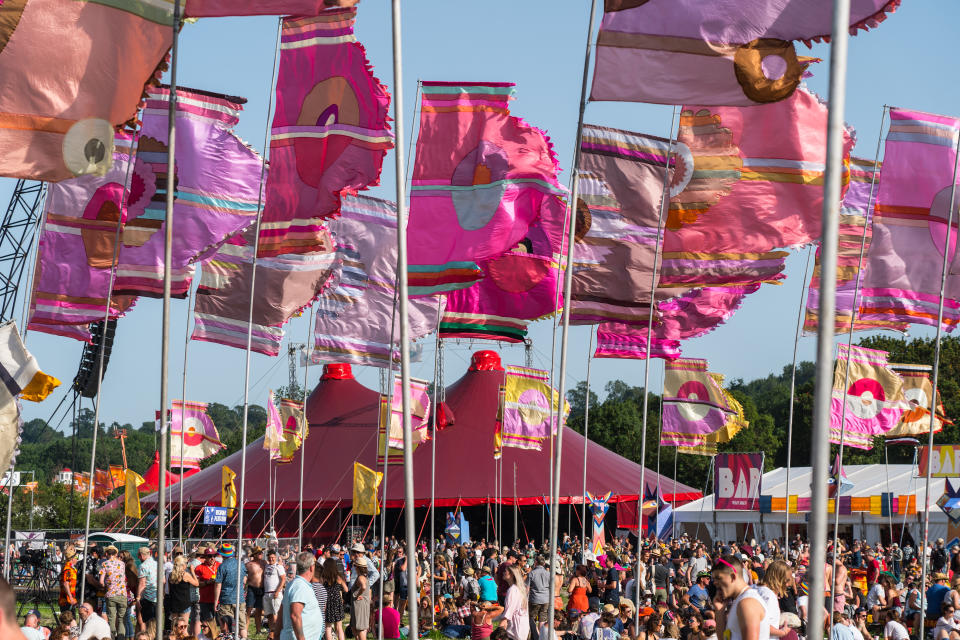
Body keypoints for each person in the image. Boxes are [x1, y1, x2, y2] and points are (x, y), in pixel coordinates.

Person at [711, 555, 768, 640]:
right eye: (714, 579)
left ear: (733, 577)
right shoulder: (740, 601)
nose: (715, 583)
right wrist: (719, 611)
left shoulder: (747, 603)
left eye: (718, 578)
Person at [280, 552, 324, 640]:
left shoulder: (299, 584)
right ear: (312, 567)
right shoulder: (299, 586)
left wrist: (276, 633)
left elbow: (281, 611)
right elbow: (295, 615)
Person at [214, 543, 248, 639]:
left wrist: (216, 601)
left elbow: (218, 584)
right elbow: (245, 580)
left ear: (222, 555)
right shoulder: (241, 564)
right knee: (242, 625)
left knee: (226, 626)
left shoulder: (222, 566)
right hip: (240, 598)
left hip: (226, 599)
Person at [498, 564, 529, 640]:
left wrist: (499, 631)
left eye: (505, 571)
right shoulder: (520, 588)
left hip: (515, 630)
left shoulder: (512, 590)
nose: (503, 573)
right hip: (523, 628)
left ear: (512, 574)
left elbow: (508, 613)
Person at [195, 547, 220, 637]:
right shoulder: (199, 568)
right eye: (210, 556)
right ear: (205, 557)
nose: (212, 558)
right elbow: (196, 583)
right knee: (207, 623)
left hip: (218, 600)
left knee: (219, 623)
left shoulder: (220, 565)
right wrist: (207, 582)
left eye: (214, 556)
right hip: (205, 599)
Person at [321, 553, 347, 640]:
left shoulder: (323, 578)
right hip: (337, 601)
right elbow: (346, 589)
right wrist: (340, 588)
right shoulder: (338, 577)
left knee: (328, 627)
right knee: (339, 627)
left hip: (327, 602)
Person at [170, 555, 200, 626]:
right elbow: (197, 583)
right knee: (184, 628)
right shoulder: (185, 575)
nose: (187, 565)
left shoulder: (171, 575)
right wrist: (192, 572)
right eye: (186, 563)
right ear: (182, 565)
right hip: (184, 604)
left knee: (175, 627)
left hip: (174, 603)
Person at [264, 549, 287, 640]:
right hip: (266, 593)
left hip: (275, 593)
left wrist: (277, 591)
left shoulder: (278, 566)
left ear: (276, 558)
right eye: (270, 558)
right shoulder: (266, 565)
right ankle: (271, 632)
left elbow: (283, 579)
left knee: (275, 614)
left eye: (273, 557)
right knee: (269, 614)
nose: (271, 559)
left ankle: (277, 632)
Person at [137, 546, 159, 635]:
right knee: (156, 622)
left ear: (141, 555)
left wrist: (138, 597)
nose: (138, 558)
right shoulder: (157, 564)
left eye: (138, 555)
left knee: (148, 622)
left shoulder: (143, 566)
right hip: (158, 597)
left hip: (148, 597)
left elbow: (142, 583)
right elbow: (163, 581)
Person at [350, 557, 371, 640]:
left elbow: (363, 586)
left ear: (358, 567)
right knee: (355, 627)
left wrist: (358, 594)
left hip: (360, 604)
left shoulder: (361, 577)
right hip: (362, 603)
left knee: (360, 628)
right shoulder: (365, 576)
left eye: (355, 566)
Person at [246, 546, 266, 637]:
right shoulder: (248, 564)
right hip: (251, 588)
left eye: (261, 552)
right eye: (259, 553)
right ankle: (245, 631)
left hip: (261, 589)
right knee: (248, 610)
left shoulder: (265, 563)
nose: (261, 554)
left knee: (259, 611)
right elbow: (243, 577)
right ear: (254, 555)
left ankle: (258, 630)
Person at [528, 556, 551, 627]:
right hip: (545, 599)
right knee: (543, 619)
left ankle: (533, 635)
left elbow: (527, 587)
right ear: (544, 563)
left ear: (535, 563)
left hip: (534, 599)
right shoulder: (548, 573)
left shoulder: (532, 573)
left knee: (532, 619)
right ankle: (542, 635)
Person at [59, 543, 79, 614]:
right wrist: (70, 597)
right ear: (72, 559)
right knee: (68, 620)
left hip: (72, 598)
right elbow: (65, 583)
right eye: (77, 558)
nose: (77, 560)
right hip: (66, 600)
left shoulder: (72, 568)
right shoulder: (67, 569)